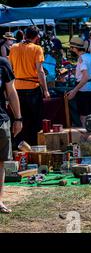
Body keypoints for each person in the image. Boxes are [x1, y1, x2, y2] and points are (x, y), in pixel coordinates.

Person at [8, 26, 49, 146]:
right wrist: (45, 90)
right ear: (37, 37)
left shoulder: (13, 47)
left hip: (17, 89)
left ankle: (18, 146)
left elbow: (10, 68)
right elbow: (40, 71)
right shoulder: (37, 49)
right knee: (35, 121)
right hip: (32, 89)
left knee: (19, 119)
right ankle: (34, 147)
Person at [0, 56, 22, 214]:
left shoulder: (3, 63)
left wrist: (18, 118)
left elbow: (11, 91)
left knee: (0, 162)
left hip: (0, 120)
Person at [65, 37, 91, 127]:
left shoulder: (81, 58)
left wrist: (74, 91)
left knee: (83, 117)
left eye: (71, 48)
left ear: (75, 48)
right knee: (88, 114)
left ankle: (87, 137)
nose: (71, 50)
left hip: (84, 89)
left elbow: (85, 77)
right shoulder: (90, 57)